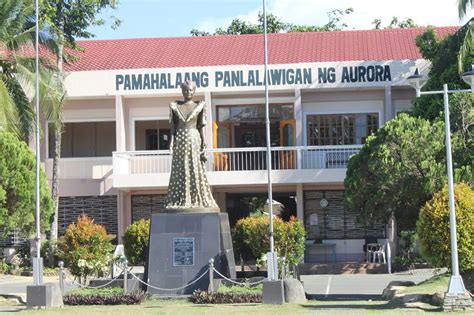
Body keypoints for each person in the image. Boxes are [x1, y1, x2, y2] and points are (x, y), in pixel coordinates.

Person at [165, 80, 219, 212]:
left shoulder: (199, 106)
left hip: (194, 139)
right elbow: (173, 126)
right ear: (182, 91)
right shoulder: (174, 106)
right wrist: (172, 141)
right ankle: (180, 198)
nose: (188, 92)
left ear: (194, 91)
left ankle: (196, 198)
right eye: (185, 90)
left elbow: (200, 128)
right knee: (180, 167)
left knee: (194, 167)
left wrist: (203, 144)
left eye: (190, 90)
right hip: (180, 139)